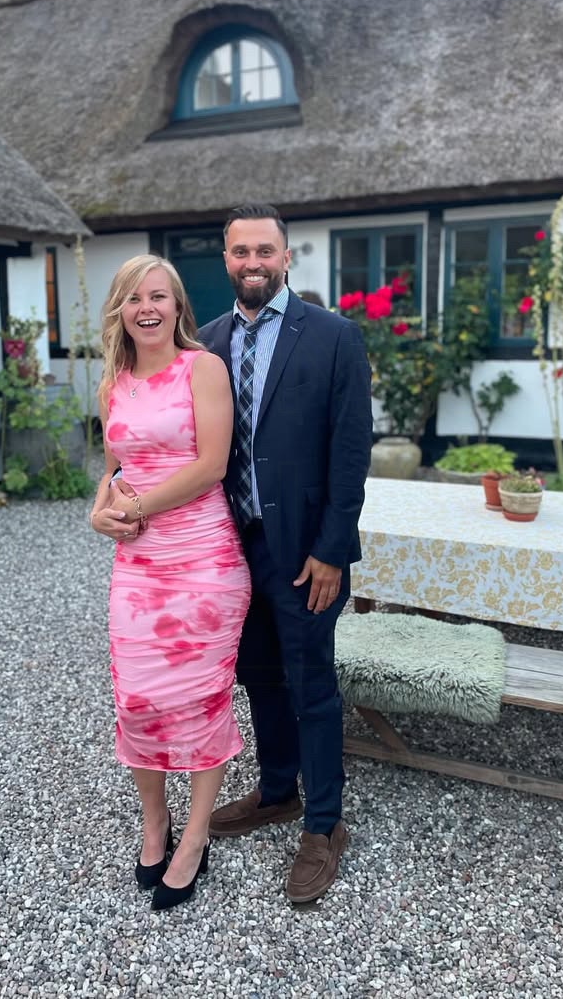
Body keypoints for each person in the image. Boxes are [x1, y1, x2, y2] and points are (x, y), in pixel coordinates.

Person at [198, 203, 373, 904]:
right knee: (258, 676)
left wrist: (333, 549)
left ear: (286, 257)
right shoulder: (205, 343)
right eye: (240, 252)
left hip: (304, 553)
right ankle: (277, 792)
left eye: (264, 251)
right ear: (226, 260)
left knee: (311, 683)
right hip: (229, 548)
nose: (253, 263)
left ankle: (324, 824)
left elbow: (350, 453)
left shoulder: (332, 337)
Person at [89, 255, 250, 913]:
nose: (146, 308)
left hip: (205, 562)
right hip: (138, 566)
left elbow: (212, 465)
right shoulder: (112, 384)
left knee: (202, 701)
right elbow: (113, 471)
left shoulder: (201, 368)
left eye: (158, 296)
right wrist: (99, 511)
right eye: (133, 298)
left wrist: (137, 507)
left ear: (177, 306)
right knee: (137, 702)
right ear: (120, 311)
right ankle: (155, 823)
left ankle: (196, 836)